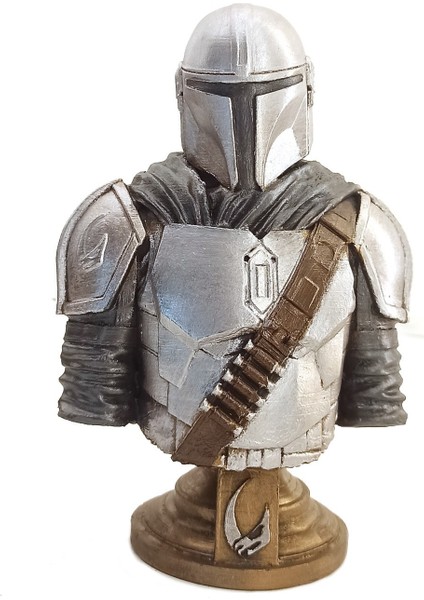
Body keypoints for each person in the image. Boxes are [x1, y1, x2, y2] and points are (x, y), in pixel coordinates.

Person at [56, 4, 411, 589]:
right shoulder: (131, 220)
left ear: (181, 92)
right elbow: (96, 385)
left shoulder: (356, 224)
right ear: (308, 90)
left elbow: (373, 388)